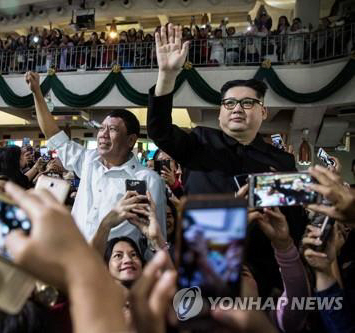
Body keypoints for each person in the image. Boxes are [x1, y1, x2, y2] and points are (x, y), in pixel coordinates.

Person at [147, 23, 306, 298]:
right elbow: (159, 130)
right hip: (205, 264)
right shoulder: (199, 142)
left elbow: (294, 224)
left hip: (263, 273)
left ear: (263, 111)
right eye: (229, 103)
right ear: (220, 113)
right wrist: (166, 77)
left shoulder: (281, 162)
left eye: (247, 103)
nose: (237, 109)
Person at [26, 70, 166, 244]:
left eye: (113, 129)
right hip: (79, 258)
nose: (103, 135)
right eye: (102, 128)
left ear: (131, 140)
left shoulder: (148, 180)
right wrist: (37, 93)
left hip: (116, 265)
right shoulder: (88, 161)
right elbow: (53, 134)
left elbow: (157, 236)